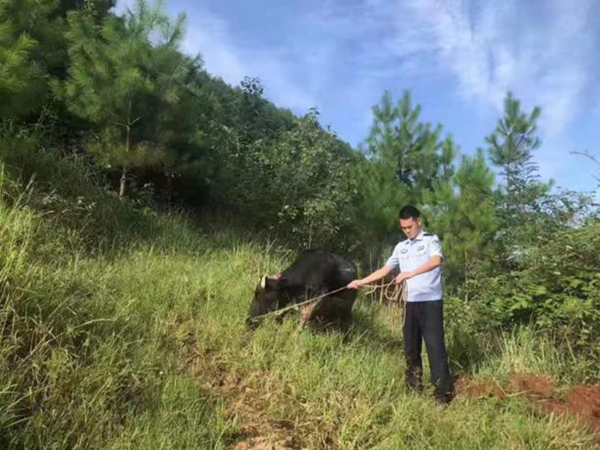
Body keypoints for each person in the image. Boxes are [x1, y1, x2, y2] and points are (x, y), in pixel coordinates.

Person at [347, 205, 453, 404]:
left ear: (418, 221)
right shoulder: (401, 247)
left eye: (410, 227)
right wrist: (361, 281)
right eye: (403, 228)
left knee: (435, 347)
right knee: (411, 347)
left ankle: (442, 394)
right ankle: (414, 388)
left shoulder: (431, 240)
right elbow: (385, 269)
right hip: (409, 304)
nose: (407, 231)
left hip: (430, 302)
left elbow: (436, 261)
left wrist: (410, 273)